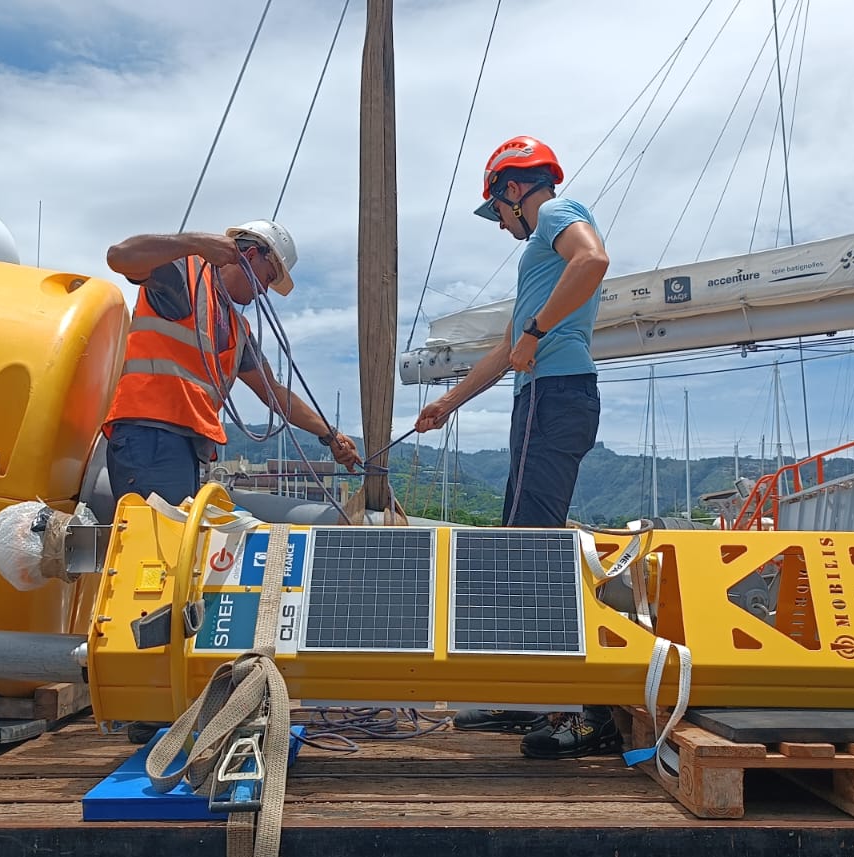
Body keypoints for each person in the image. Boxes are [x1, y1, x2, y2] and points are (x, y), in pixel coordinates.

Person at [414, 136, 614, 759]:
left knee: (535, 549)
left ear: (513, 189)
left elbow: (593, 262)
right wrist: (449, 403)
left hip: (556, 395)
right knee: (521, 542)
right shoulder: (536, 262)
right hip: (541, 397)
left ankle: (586, 714)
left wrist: (536, 329)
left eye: (497, 208)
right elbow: (506, 351)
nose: (499, 222)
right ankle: (530, 694)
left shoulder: (555, 215)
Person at [102, 219, 361, 508]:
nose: (264, 290)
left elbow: (275, 393)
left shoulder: (238, 330)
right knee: (156, 543)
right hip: (150, 435)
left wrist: (330, 435)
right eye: (268, 276)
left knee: (176, 544)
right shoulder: (185, 276)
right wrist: (196, 243)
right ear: (250, 256)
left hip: (185, 446)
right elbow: (120, 256)